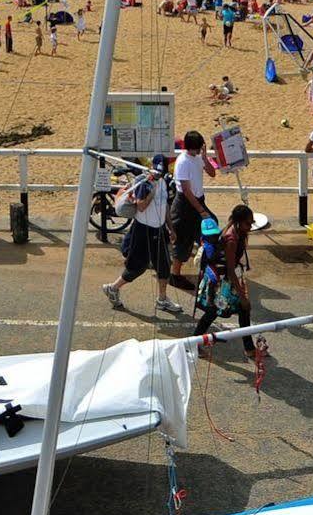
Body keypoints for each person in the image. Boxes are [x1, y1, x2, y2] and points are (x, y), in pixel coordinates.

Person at [101, 157, 183, 316]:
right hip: (143, 230)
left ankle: (162, 298)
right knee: (137, 266)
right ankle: (113, 288)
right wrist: (152, 189)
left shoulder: (164, 182)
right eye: (158, 171)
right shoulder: (144, 182)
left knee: (164, 264)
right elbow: (141, 206)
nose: (160, 174)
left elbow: (164, 205)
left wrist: (170, 228)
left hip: (158, 230)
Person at [193, 205, 255, 354]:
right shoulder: (231, 240)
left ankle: (249, 348)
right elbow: (230, 270)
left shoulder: (236, 230)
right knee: (216, 311)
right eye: (248, 223)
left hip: (226, 279)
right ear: (239, 222)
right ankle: (194, 342)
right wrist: (242, 295)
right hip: (223, 282)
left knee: (240, 311)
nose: (250, 227)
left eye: (252, 223)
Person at [168, 130, 209, 293]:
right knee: (182, 241)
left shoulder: (198, 157)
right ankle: (175, 275)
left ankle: (205, 267)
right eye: (199, 148)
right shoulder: (183, 162)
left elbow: (212, 173)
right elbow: (186, 190)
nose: (200, 150)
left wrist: (205, 158)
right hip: (185, 205)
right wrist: (201, 211)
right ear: (191, 148)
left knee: (207, 234)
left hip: (198, 201)